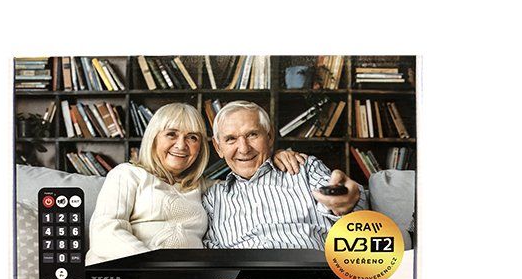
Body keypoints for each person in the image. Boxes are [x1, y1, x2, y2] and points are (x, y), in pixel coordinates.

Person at [87, 102, 308, 264]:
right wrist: (153, 269)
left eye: (192, 137)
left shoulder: (205, 187)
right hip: (128, 273)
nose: (181, 145)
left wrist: (274, 156)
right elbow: (105, 231)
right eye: (171, 134)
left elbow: (247, 180)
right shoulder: (127, 175)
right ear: (154, 138)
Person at [202, 100, 366, 249]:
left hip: (307, 267)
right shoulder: (212, 199)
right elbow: (211, 253)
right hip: (244, 271)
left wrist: (346, 200)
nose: (244, 149)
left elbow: (349, 208)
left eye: (252, 134)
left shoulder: (304, 168)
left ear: (270, 136)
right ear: (218, 147)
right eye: (231, 139)